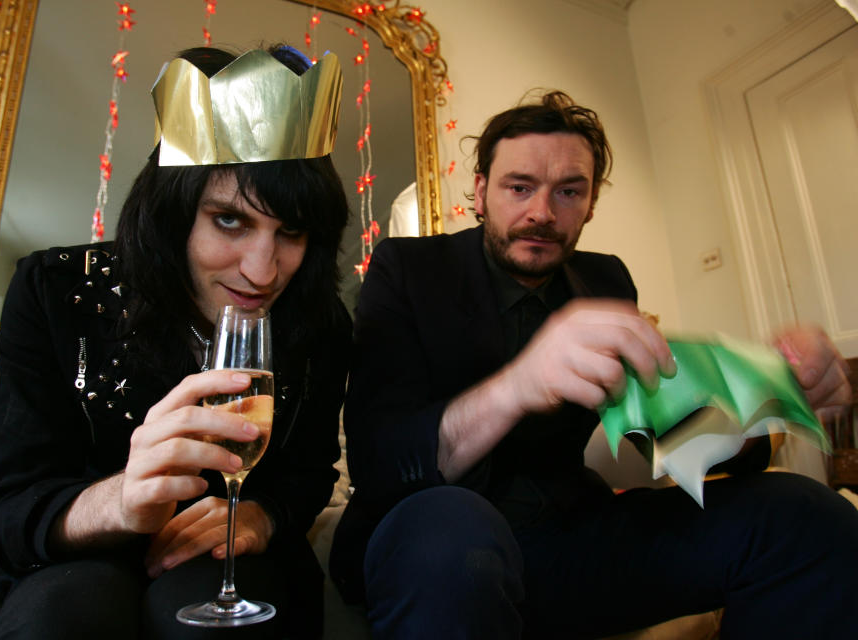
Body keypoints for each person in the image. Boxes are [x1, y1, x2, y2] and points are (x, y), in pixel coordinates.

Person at [329, 90, 858, 639]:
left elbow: (671, 438)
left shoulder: (605, 281)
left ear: (590, 203)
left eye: (568, 192)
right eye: (519, 187)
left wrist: (775, 395)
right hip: (436, 542)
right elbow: (380, 464)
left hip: (570, 540)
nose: (542, 212)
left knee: (801, 512)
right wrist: (519, 385)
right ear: (481, 192)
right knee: (453, 535)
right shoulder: (408, 268)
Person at [0, 45, 350, 639]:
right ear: (171, 215)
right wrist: (119, 503)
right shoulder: (55, 292)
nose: (263, 271)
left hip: (236, 567)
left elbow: (307, 475)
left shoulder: (319, 322)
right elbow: (2, 515)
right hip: (75, 566)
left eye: (291, 232)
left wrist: (263, 515)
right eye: (230, 220)